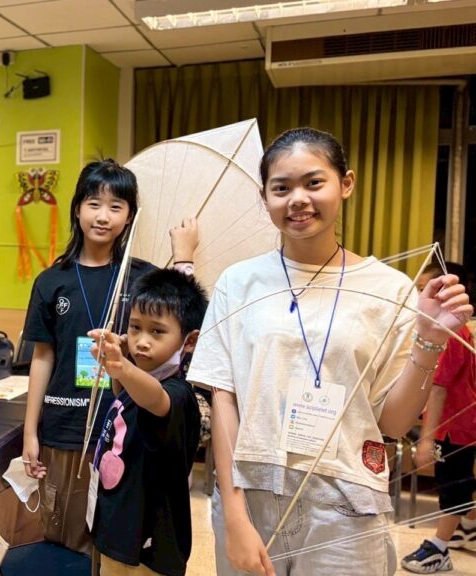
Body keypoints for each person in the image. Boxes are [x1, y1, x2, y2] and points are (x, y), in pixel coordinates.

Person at [188, 127, 473, 576]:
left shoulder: (390, 288)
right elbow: (224, 399)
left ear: (346, 184)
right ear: (264, 198)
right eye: (281, 188)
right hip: (251, 494)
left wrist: (430, 338)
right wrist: (236, 516)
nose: (297, 199)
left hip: (347, 502)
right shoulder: (237, 282)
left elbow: (393, 423)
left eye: (313, 182)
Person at [21, 159, 198, 555]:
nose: (103, 216)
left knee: (115, 535)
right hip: (64, 425)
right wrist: (31, 431)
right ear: (77, 209)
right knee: (63, 533)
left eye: (116, 207)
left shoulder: (143, 278)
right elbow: (42, 357)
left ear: (130, 216)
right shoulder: (51, 280)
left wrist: (183, 257)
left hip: (124, 428)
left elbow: (181, 327)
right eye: (93, 204)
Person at [88, 268, 208, 575]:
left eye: (157, 331)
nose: (141, 341)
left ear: (189, 341)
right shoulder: (136, 377)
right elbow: (124, 394)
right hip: (118, 525)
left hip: (150, 541)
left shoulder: (179, 394)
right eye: (135, 327)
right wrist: (121, 360)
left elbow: (155, 399)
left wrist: (121, 366)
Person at [401, 262, 476, 573]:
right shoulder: (456, 331)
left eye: (424, 289)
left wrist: (426, 439)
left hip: (454, 427)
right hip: (462, 424)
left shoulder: (451, 333)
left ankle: (439, 547)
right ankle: (468, 527)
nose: (418, 295)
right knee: (461, 479)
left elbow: (439, 389)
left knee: (453, 484)